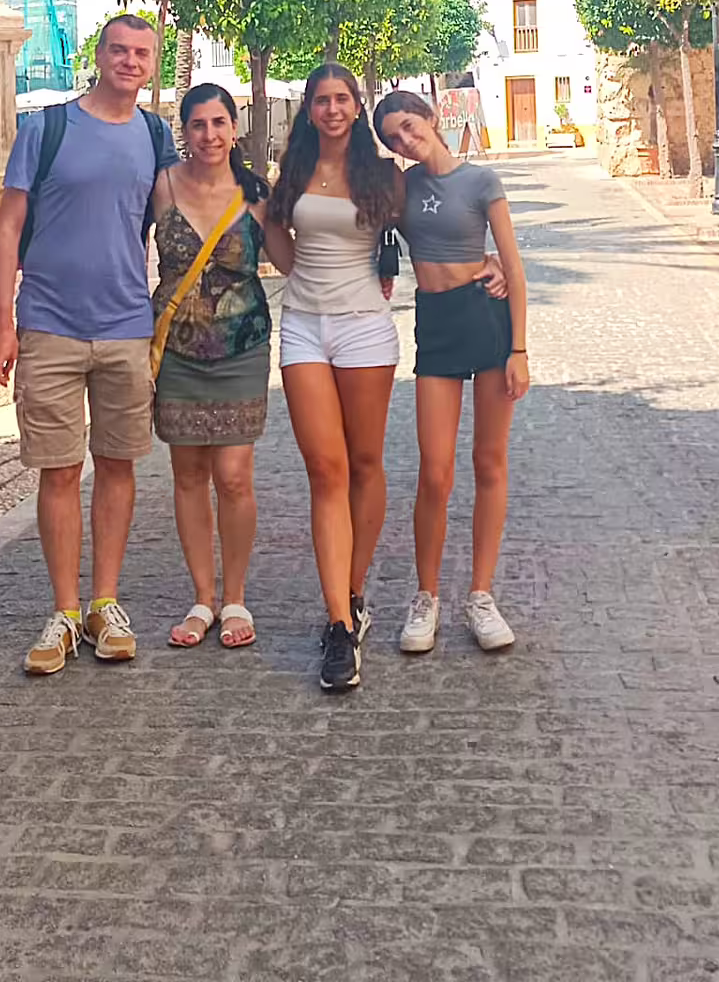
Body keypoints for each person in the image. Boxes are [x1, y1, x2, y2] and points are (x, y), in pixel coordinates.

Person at [0, 14, 179, 676]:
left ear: (153, 63)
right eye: (119, 50)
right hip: (49, 325)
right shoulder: (46, 129)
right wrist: (2, 323)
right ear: (99, 55)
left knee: (118, 465)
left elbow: (177, 222)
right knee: (60, 469)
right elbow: (8, 229)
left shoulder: (155, 136)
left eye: (142, 53)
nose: (130, 61)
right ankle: (65, 610)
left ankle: (105, 603)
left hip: (127, 327)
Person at [262, 64, 403, 693]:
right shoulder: (294, 169)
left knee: (365, 464)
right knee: (326, 469)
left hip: (365, 328)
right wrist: (285, 258)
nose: (333, 109)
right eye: (322, 100)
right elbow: (276, 232)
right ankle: (339, 625)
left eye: (343, 98)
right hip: (303, 327)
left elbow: (426, 228)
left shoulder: (382, 174)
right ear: (309, 109)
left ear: (357, 105)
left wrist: (486, 262)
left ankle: (352, 589)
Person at [373, 89, 529, 655]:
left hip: (485, 319)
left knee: (489, 461)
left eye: (410, 126)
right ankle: (427, 596)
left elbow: (513, 265)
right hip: (436, 324)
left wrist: (519, 349)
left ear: (432, 118)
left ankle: (481, 595)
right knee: (435, 471)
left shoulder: (481, 181)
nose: (406, 140)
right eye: (394, 137)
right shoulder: (401, 187)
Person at [150, 84, 272, 651]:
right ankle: (203, 597)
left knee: (234, 475)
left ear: (234, 127)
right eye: (198, 125)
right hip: (176, 349)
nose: (209, 135)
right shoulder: (162, 187)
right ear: (185, 131)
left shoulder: (256, 193)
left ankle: (236, 596)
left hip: (242, 347)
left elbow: (295, 255)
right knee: (188, 475)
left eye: (219, 123)